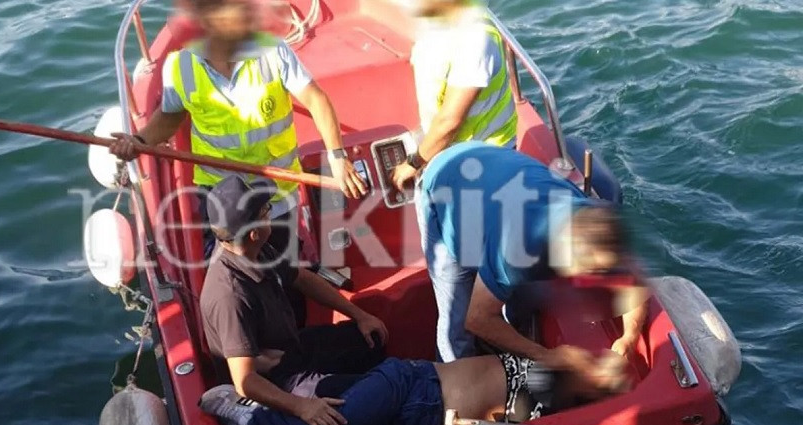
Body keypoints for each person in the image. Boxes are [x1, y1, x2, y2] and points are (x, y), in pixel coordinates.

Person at [110, 0, 368, 257]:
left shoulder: (272, 51)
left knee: (281, 261)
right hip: (218, 192)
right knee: (229, 266)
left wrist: (337, 157)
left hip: (275, 191)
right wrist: (139, 141)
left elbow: (315, 99)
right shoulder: (179, 67)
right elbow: (169, 116)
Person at [200, 349, 631, 425]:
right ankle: (246, 411)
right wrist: (626, 341)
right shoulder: (556, 366)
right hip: (412, 385)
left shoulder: (558, 418)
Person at [416, 142, 649, 370]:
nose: (601, 278)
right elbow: (476, 318)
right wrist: (545, 356)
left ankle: (509, 346)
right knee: (456, 315)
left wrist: (629, 337)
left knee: (517, 293)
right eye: (591, 271)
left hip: (495, 170)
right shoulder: (517, 249)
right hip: (444, 183)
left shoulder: (593, 216)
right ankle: (453, 380)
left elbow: (632, 283)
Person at [200, 174, 389, 425]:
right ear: (254, 233)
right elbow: (245, 381)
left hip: (293, 350)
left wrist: (360, 315)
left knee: (371, 341)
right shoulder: (229, 295)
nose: (270, 214)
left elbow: (302, 278)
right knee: (372, 400)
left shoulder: (257, 250)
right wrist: (302, 407)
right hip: (280, 382)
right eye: (266, 210)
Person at [391, 0, 518, 191]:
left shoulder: (476, 41)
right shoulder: (437, 21)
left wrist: (414, 163)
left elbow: (450, 121)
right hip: (448, 145)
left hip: (483, 157)